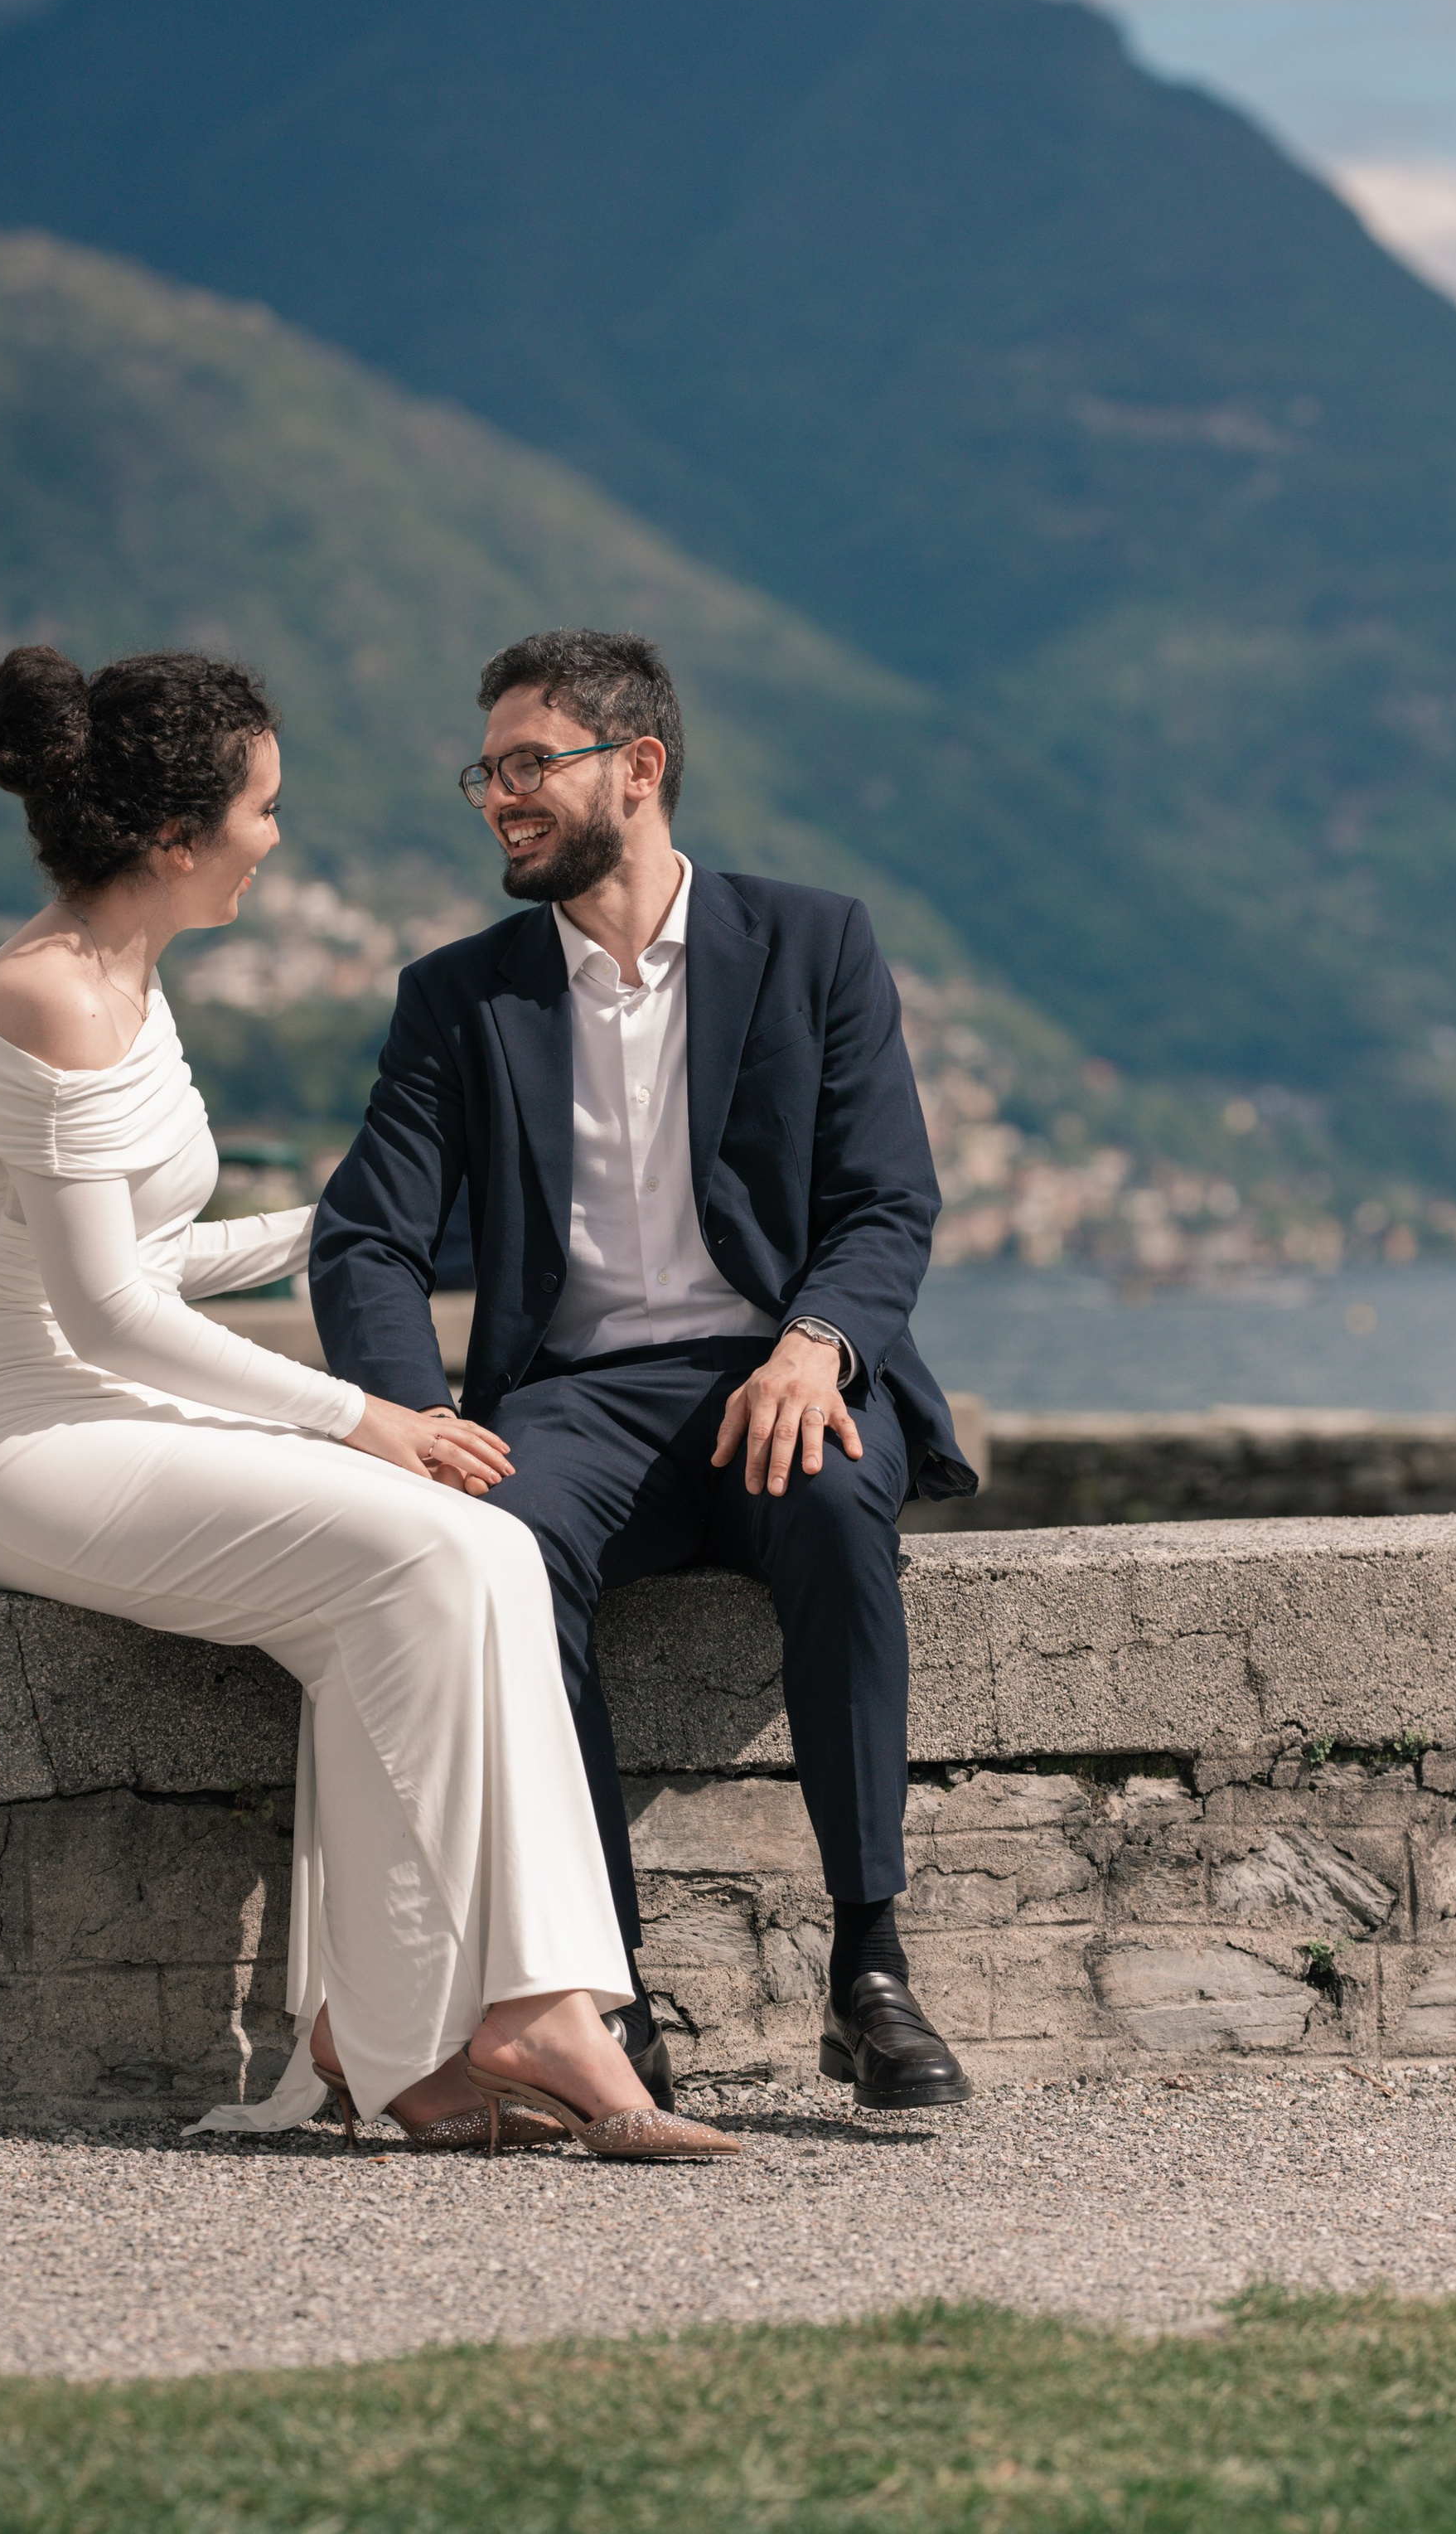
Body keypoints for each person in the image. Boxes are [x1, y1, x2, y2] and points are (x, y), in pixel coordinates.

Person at [0, 642, 737, 2164]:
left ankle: (460, 2020)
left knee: (474, 1550)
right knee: (427, 1536)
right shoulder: (50, 999)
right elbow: (105, 1313)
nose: (275, 837)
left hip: (116, 1418)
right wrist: (363, 1417)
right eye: (262, 809)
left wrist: (346, 1221)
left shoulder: (120, 975)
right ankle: (446, 2030)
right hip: (19, 1443)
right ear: (176, 839)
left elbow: (142, 1257)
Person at [311, 629, 977, 2111]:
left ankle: (870, 1968)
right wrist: (408, 1413)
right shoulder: (459, 998)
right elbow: (368, 1237)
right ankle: (602, 1996)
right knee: (498, 1543)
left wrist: (818, 1345)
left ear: (641, 767)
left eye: (530, 763)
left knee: (836, 1504)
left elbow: (886, 1202)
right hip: (577, 1400)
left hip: (775, 1368)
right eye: (487, 771)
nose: (499, 795)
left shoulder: (814, 942)